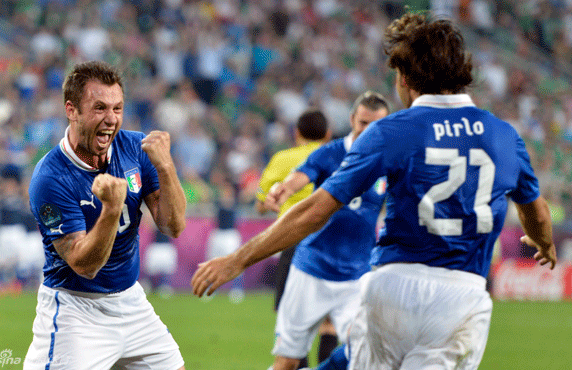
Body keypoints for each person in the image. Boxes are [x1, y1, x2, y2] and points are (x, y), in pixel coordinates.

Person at [192, 12, 557, 370]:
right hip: (461, 296)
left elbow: (316, 208)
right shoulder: (505, 137)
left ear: (405, 77)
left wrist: (237, 260)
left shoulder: (391, 130)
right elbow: (535, 212)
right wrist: (544, 243)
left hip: (393, 289)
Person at [23, 61, 187, 370]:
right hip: (76, 309)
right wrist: (112, 209)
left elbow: (172, 226)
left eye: (117, 108)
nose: (111, 119)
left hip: (130, 302)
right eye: (100, 108)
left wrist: (166, 167)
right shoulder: (51, 178)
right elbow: (85, 266)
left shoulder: (134, 148)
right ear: (71, 110)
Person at [262, 91, 389, 370]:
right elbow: (301, 175)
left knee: (366, 359)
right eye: (363, 123)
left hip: (356, 277)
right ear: (352, 119)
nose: (368, 130)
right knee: (287, 361)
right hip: (311, 270)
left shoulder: (388, 162)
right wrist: (282, 190)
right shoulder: (329, 153)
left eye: (376, 125)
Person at [255, 108, 329, 368]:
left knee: (292, 318)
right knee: (329, 321)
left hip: (292, 240)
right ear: (327, 134)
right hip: (327, 241)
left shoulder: (283, 158)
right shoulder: (334, 156)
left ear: (296, 132)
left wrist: (271, 203)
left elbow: (261, 203)